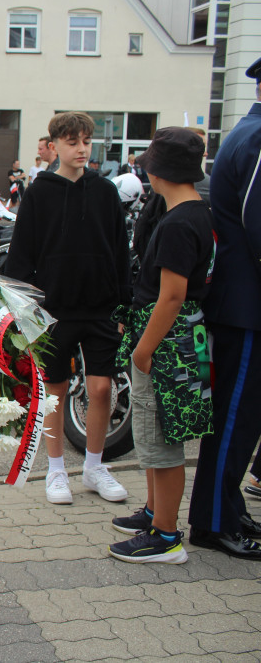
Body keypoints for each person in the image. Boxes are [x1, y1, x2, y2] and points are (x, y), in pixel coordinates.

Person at [4, 112, 132, 506]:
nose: (81, 149)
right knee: (55, 391)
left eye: (86, 142)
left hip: (100, 306)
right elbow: (22, 253)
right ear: (54, 145)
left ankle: (94, 467)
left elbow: (120, 251)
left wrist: (123, 306)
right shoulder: (39, 192)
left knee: (102, 388)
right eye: (73, 142)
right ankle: (56, 470)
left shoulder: (105, 191)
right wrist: (23, 309)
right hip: (55, 309)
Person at [108, 128, 215, 564]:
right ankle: (155, 513)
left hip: (166, 341)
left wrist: (143, 350)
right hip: (187, 337)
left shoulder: (177, 223)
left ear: (158, 171)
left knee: (163, 441)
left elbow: (171, 295)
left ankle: (166, 535)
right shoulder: (198, 212)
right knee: (158, 437)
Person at [187, 57, 261, 560]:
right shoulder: (257, 137)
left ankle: (226, 508)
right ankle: (214, 521)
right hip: (247, 303)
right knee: (234, 418)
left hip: (243, 301)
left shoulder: (247, 131)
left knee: (241, 418)